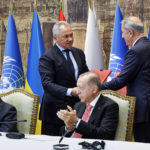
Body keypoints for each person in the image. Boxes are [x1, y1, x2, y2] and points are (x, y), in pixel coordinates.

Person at [101, 16, 150, 143]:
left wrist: (96, 87)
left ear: (130, 32)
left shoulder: (135, 51)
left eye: (123, 32)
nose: (122, 36)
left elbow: (120, 81)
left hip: (143, 110)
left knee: (143, 144)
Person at [39, 21, 89, 136]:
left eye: (71, 35)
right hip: (55, 113)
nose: (70, 39)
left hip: (77, 110)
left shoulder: (79, 53)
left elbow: (85, 75)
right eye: (66, 36)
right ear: (55, 37)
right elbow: (47, 84)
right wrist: (71, 91)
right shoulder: (47, 57)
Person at [57, 72, 119, 140]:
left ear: (94, 89)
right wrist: (69, 127)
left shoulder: (110, 106)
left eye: (81, 88)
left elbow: (105, 135)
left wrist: (76, 122)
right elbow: (62, 135)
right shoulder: (78, 105)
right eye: (77, 87)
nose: (77, 92)